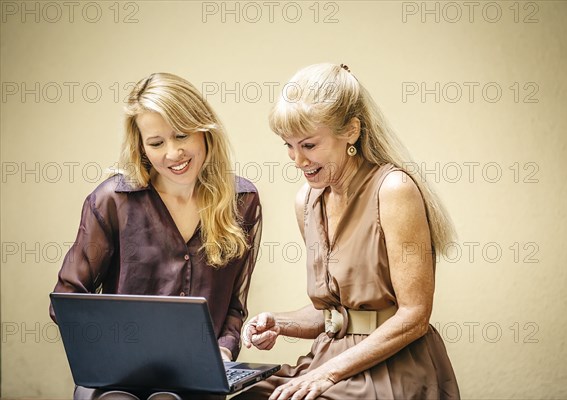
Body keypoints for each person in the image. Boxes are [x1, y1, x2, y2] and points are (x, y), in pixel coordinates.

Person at [236, 63, 460, 400]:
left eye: (309, 145)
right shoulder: (307, 201)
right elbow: (336, 314)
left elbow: (415, 316)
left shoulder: (393, 189)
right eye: (288, 145)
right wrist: (280, 323)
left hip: (392, 367)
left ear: (351, 131)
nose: (297, 160)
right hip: (328, 363)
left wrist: (328, 374)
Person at [50, 72, 262, 400]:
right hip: (116, 378)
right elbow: (68, 298)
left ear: (205, 131)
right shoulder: (112, 201)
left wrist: (222, 352)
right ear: (141, 147)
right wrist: (110, 349)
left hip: (198, 379)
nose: (173, 153)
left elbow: (234, 305)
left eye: (182, 135)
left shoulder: (243, 201)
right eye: (156, 143)